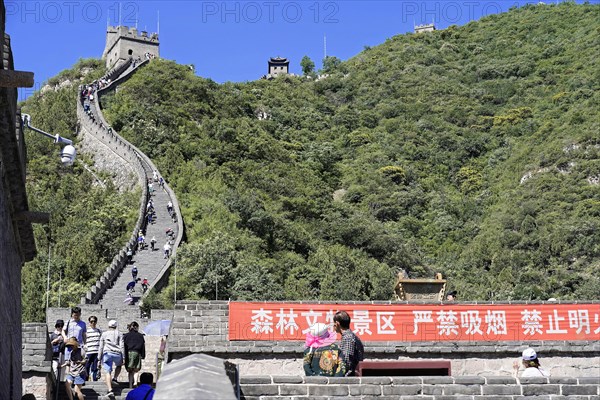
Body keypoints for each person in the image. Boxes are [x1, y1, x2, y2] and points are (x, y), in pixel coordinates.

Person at [98, 320, 125, 398]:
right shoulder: (119, 333)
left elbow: (101, 347)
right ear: (116, 326)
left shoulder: (104, 334)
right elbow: (122, 346)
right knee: (119, 365)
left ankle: (110, 390)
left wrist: (99, 358)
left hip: (107, 353)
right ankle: (115, 378)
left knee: (107, 371)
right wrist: (123, 357)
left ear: (108, 326)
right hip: (117, 353)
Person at [333, 310, 364, 376]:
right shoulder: (351, 336)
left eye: (334, 324)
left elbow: (346, 361)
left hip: (348, 377)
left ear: (337, 323)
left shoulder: (348, 338)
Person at [124, 321, 146, 388]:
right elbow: (143, 346)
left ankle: (130, 385)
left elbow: (124, 346)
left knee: (130, 371)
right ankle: (135, 382)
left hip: (129, 353)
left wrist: (124, 356)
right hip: (137, 353)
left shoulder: (126, 335)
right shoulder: (140, 336)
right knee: (136, 370)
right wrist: (143, 355)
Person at [85, 316, 102, 381]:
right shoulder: (87, 331)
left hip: (97, 351)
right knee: (87, 366)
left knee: (95, 367)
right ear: (89, 322)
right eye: (91, 321)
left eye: (94, 321)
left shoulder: (99, 331)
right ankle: (85, 380)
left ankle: (95, 380)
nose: (93, 322)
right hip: (89, 351)